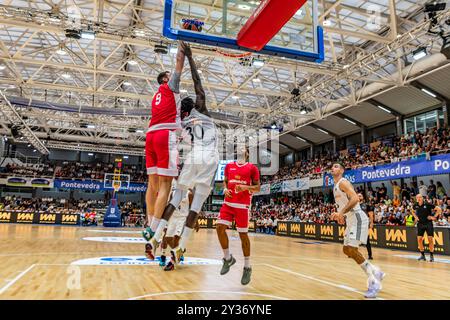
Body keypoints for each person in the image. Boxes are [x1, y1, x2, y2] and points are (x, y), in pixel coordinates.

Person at [144, 42, 219, 263]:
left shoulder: (183, 120)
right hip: (212, 157)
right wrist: (192, 59)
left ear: (182, 111)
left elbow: (177, 139)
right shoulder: (202, 109)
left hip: (195, 155)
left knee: (175, 196)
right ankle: (181, 248)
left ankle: (156, 236)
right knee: (195, 208)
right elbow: (198, 83)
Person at [142, 42, 187, 256]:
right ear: (166, 80)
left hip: (150, 136)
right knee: (165, 187)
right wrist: (183, 49)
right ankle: (153, 230)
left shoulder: (155, 95)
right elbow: (179, 64)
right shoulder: (171, 87)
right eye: (170, 75)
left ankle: (149, 222)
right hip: (164, 135)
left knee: (152, 185)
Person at [330, 162, 385, 298]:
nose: (333, 168)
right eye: (332, 166)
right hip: (350, 220)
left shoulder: (343, 182)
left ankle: (373, 282)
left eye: (336, 166)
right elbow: (344, 204)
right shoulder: (335, 187)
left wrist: (341, 212)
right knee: (346, 250)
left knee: (352, 249)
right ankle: (375, 271)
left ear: (342, 170)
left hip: (358, 218)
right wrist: (340, 215)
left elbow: (355, 198)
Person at [216, 147, 260, 285]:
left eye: (243, 149)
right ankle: (228, 258)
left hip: (242, 206)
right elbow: (226, 180)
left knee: (243, 236)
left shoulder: (252, 168)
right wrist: (224, 188)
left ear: (247, 153)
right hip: (228, 203)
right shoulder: (229, 166)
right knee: (219, 227)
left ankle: (247, 267)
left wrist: (245, 188)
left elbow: (257, 188)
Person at [412, 194, 442, 262]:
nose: (418, 198)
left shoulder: (427, 204)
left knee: (430, 239)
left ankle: (431, 256)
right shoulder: (415, 205)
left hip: (428, 223)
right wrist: (416, 217)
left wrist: (434, 217)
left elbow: (439, 209)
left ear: (422, 198)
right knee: (419, 239)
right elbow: (412, 211)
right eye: (417, 197)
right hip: (420, 224)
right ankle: (422, 255)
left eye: (420, 197)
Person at [358, 193, 374, 260]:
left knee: (367, 240)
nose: (359, 197)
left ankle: (370, 255)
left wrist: (371, 223)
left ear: (363, 197)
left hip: (364, 224)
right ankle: (352, 253)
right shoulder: (354, 206)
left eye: (360, 196)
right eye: (358, 196)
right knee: (353, 239)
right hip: (356, 224)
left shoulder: (366, 205)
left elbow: (370, 214)